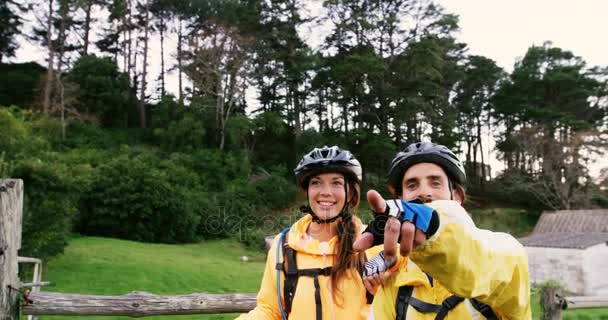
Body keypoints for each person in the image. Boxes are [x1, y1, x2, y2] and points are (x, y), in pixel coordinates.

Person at [354, 142, 531, 319]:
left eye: (435, 183)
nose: (423, 192)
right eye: (412, 185)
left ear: (457, 196)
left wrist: (435, 227)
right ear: (400, 200)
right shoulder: (394, 285)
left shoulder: (503, 250)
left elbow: (494, 266)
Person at [237, 146, 381, 320]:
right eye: (316, 182)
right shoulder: (283, 247)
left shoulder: (373, 242)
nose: (326, 192)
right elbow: (269, 310)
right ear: (307, 191)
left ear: (350, 193)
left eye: (336, 183)